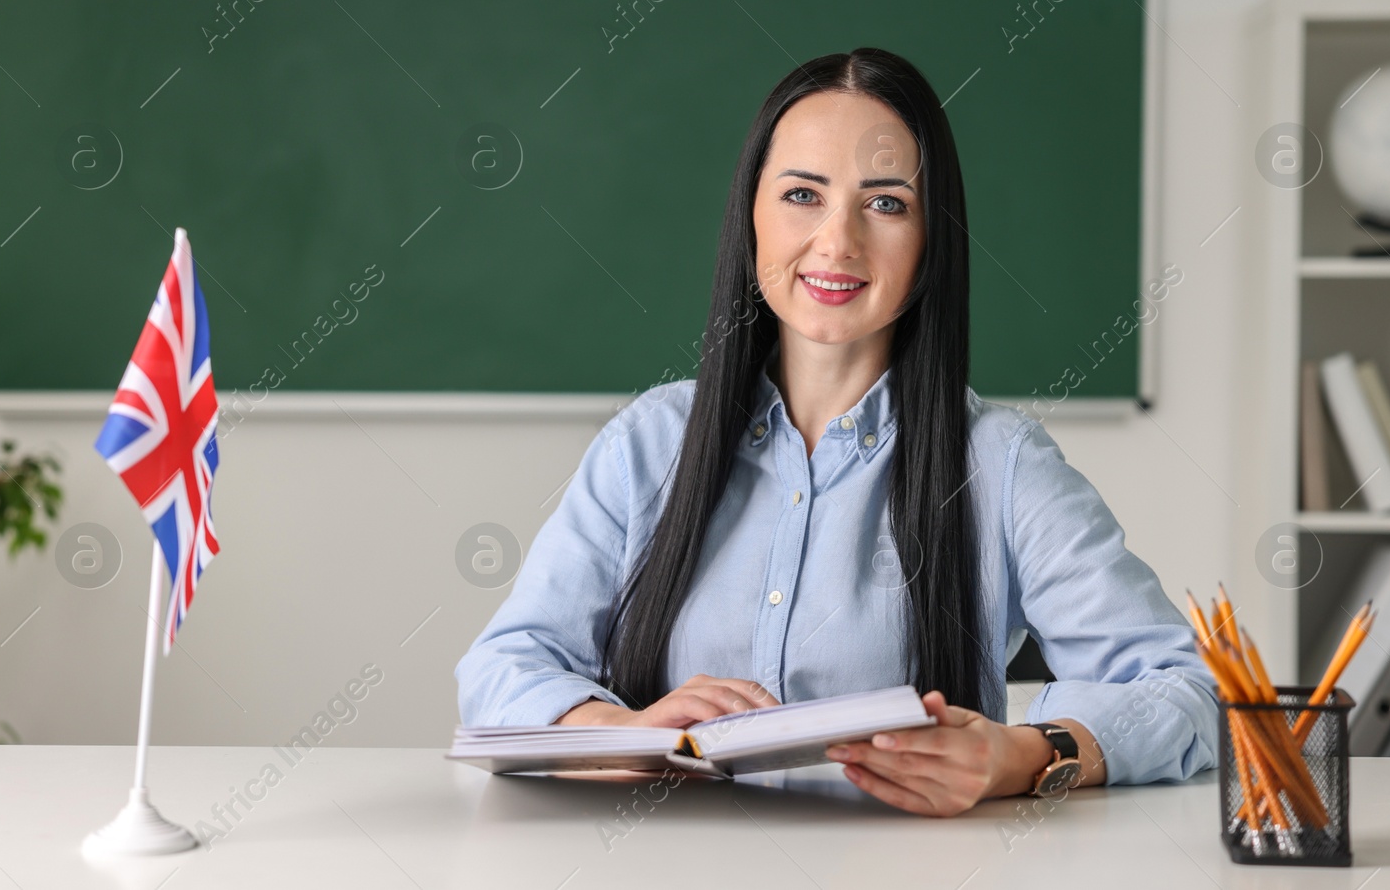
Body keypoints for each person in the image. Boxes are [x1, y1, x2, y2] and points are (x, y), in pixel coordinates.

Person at [455, 47, 1217, 816]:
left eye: (885, 203)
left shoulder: (1001, 463)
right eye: (802, 195)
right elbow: (502, 668)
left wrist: (1021, 753)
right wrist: (624, 733)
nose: (838, 241)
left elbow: (1187, 688)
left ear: (930, 241)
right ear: (751, 214)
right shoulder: (647, 445)